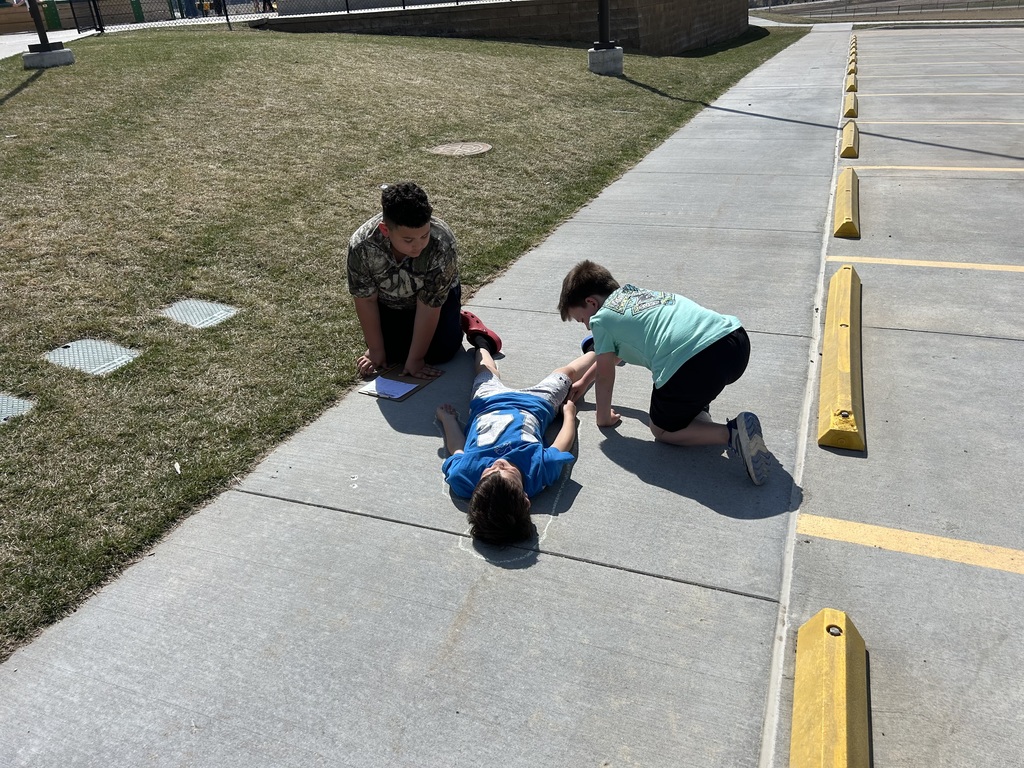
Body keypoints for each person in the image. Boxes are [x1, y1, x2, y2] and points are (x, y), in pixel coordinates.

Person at [557, 260, 771, 485]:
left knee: (661, 429)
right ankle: (693, 411)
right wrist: (583, 381)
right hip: (734, 343)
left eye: (582, 320)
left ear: (591, 303)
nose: (587, 327)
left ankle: (733, 433)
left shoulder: (601, 320)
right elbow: (615, 355)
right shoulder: (633, 294)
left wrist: (603, 418)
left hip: (695, 364)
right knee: (684, 385)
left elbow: (605, 375)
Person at [435, 343, 596, 545]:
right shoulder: (538, 471)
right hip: (537, 403)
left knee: (486, 371)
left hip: (488, 401)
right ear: (525, 498)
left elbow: (457, 449)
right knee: (566, 373)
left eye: (488, 472)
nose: (498, 464)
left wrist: (448, 421)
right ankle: (596, 349)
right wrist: (570, 416)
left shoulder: (463, 477)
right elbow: (562, 444)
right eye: (506, 470)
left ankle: (481, 344)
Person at [347, 182, 501, 379]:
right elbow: (366, 300)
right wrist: (376, 350)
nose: (418, 246)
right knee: (391, 355)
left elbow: (428, 305)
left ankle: (459, 319)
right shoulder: (362, 245)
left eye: (424, 235)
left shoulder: (442, 242)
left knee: (440, 354)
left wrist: (416, 359)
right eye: (408, 240)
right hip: (389, 303)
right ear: (385, 230)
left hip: (433, 302)